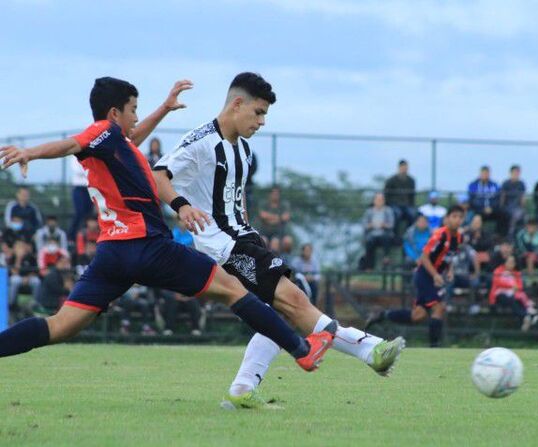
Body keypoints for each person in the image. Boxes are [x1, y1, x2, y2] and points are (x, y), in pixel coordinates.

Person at [0, 76, 333, 374]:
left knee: (61, 326)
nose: (135, 116)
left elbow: (132, 137)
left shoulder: (115, 146)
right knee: (233, 288)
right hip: (146, 246)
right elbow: (72, 143)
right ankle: (303, 350)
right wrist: (29, 152)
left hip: (112, 253)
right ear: (115, 114)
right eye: (133, 109)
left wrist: (164, 108)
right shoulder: (101, 133)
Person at [152, 72, 404, 410]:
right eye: (258, 112)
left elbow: (231, 198)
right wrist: (181, 207)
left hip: (244, 237)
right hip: (225, 247)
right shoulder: (201, 140)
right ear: (236, 104)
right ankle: (369, 348)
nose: (262, 121)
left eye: (265, 115)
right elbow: (157, 175)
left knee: (285, 306)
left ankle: (243, 387)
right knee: (293, 299)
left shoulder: (243, 150)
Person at [365, 205, 465, 347]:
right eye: (454, 216)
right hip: (424, 276)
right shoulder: (439, 235)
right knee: (439, 307)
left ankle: (382, 315)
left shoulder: (459, 237)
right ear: (447, 219)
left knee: (418, 316)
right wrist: (436, 275)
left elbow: (449, 256)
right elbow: (424, 258)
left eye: (460, 217)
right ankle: (434, 347)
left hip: (433, 276)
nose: (457, 220)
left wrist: (450, 270)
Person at [489, 255, 538, 331]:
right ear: (505, 262)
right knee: (511, 299)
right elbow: (497, 282)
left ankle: (527, 318)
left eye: (512, 262)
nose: (510, 264)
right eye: (509, 262)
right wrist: (510, 286)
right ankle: (526, 316)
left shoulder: (516, 273)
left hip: (513, 294)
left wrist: (514, 288)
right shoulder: (498, 270)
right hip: (499, 295)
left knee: (517, 299)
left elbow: (520, 286)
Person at [361, 192, 395, 270]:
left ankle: (386, 259)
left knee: (386, 238)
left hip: (384, 233)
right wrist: (371, 225)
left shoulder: (388, 210)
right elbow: (364, 225)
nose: (379, 201)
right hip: (372, 234)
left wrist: (384, 225)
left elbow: (391, 225)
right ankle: (369, 267)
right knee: (369, 241)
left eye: (381, 199)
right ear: (374, 200)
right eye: (378, 199)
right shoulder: (369, 211)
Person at [384, 159, 417, 235]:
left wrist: (412, 206)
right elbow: (386, 194)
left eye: (406, 167)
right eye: (403, 167)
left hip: (407, 205)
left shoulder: (411, 180)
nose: (404, 169)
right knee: (397, 213)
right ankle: (395, 235)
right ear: (399, 168)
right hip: (394, 204)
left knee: (412, 214)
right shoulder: (391, 180)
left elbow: (412, 196)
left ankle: (409, 234)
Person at [68, 156, 94, 240]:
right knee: (79, 212)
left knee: (88, 213)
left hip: (90, 186)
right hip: (78, 187)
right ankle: (72, 236)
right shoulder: (75, 154)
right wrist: (89, 169)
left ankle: (86, 237)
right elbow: (77, 170)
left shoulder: (92, 152)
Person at [499, 165, 526, 237]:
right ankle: (510, 234)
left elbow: (522, 198)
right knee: (515, 215)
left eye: (518, 172)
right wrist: (501, 208)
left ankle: (522, 235)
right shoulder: (506, 183)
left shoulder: (521, 184)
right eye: (515, 172)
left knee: (524, 216)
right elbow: (502, 198)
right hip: (508, 207)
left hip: (518, 207)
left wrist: (523, 207)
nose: (516, 174)